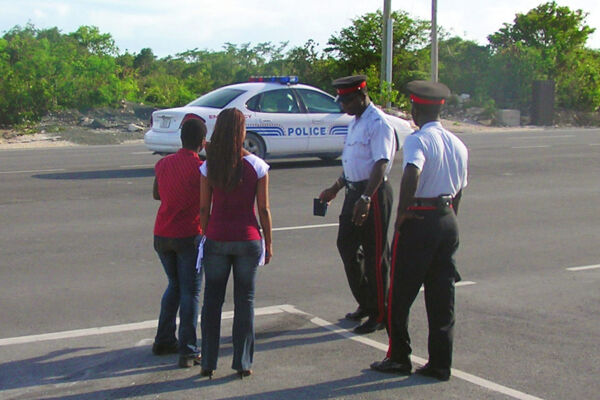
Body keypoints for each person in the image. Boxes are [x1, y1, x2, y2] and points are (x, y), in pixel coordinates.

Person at [370, 80, 469, 381]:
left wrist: (401, 214)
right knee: (442, 296)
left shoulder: (417, 140)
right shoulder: (458, 143)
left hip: (421, 218)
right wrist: (450, 217)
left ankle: (399, 356)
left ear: (415, 109)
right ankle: (440, 363)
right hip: (446, 217)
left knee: (399, 292)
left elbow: (413, 172)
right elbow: (460, 190)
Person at [198, 108, 273, 379]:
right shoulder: (257, 166)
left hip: (217, 238)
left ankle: (208, 361)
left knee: (212, 302)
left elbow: (204, 208)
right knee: (245, 301)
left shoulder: (208, 166)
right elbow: (263, 209)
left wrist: (207, 235)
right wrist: (269, 242)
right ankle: (243, 363)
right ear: (241, 132)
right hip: (248, 239)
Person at [318, 75, 396, 334]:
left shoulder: (378, 123)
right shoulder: (356, 122)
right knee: (347, 246)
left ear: (362, 95)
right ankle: (367, 301)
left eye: (347, 101)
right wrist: (335, 188)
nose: (344, 107)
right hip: (354, 191)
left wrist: (366, 198)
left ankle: (380, 313)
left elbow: (380, 163)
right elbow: (354, 163)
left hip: (371, 193)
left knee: (375, 256)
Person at [151, 118, 207, 368]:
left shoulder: (163, 163)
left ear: (181, 139)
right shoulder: (202, 168)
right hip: (189, 235)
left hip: (162, 234)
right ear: (203, 142)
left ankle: (163, 339)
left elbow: (156, 194)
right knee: (190, 292)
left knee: (174, 285)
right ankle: (188, 349)